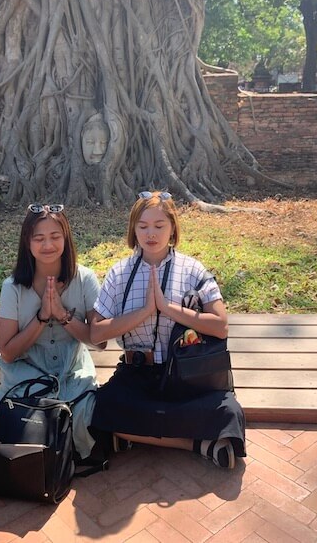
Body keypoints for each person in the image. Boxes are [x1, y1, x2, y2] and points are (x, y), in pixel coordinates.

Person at [90, 191, 246, 469]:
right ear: (133, 229)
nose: (151, 233)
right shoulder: (119, 273)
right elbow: (96, 334)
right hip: (137, 373)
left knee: (228, 411)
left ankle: (135, 435)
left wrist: (168, 308)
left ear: (173, 227)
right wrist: (144, 313)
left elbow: (221, 326)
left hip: (185, 376)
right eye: (143, 226)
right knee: (102, 406)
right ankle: (197, 444)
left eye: (159, 226)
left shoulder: (192, 270)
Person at [0, 203, 105, 463]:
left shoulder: (85, 279)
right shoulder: (13, 287)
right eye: (39, 238)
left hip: (71, 371)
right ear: (27, 243)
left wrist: (63, 315)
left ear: (66, 238)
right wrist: (42, 317)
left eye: (55, 237)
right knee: (18, 430)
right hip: (27, 370)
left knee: (85, 426)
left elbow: (99, 342)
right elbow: (8, 353)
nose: (48, 245)